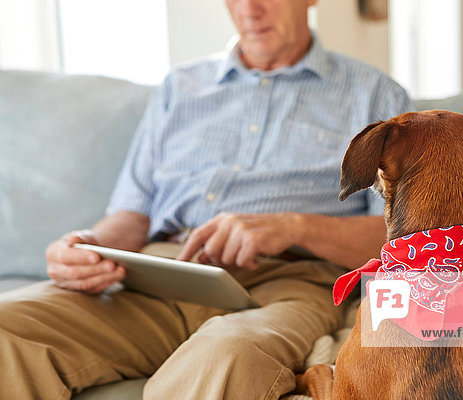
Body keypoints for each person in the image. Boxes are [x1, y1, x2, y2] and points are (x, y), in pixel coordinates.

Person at [0, 0, 412, 399]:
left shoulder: (377, 96)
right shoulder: (179, 89)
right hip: (162, 273)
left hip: (286, 282)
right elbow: (132, 214)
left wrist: (292, 227)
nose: (250, 9)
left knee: (225, 357)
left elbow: (404, 240)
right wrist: (86, 245)